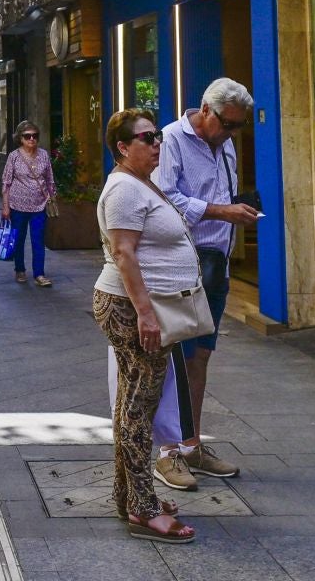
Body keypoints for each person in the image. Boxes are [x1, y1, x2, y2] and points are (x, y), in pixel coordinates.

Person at [152, 77, 262, 487]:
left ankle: (191, 444)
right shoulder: (171, 141)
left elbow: (225, 193)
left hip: (216, 265)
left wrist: (240, 211)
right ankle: (167, 454)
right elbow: (165, 198)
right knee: (173, 358)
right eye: (228, 124)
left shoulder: (226, 142)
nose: (232, 133)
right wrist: (221, 212)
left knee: (200, 357)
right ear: (204, 109)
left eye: (238, 127)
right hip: (181, 263)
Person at [94, 107, 197, 544]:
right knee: (140, 407)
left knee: (131, 403)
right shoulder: (123, 190)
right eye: (147, 138)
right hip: (129, 306)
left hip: (138, 305)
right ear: (123, 147)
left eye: (157, 136)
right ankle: (142, 507)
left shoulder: (139, 183)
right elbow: (123, 254)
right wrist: (146, 312)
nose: (157, 143)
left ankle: (128, 495)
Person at [0, 121, 56, 287]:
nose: (32, 139)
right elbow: (6, 182)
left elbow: (49, 178)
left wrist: (52, 197)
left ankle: (39, 274)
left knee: (38, 240)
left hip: (39, 205)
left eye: (35, 136)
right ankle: (20, 269)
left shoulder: (43, 155)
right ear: (20, 138)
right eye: (27, 136)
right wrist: (5, 206)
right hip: (18, 205)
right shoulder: (14, 157)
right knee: (19, 239)